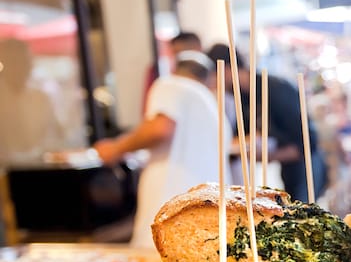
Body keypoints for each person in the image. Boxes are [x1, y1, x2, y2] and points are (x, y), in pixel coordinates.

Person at [92, 50, 231, 249]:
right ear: (207, 78)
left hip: (172, 210)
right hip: (208, 215)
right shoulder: (212, 106)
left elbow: (161, 128)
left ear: (175, 70)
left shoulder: (171, 84)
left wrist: (116, 148)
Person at [206, 44, 325, 203]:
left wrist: (266, 156)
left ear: (227, 69)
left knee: (303, 212)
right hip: (284, 167)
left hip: (306, 166)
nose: (213, 83)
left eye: (214, 76)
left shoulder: (277, 89)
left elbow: (308, 142)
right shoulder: (238, 98)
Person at [0, 38, 63, 164]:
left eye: (26, 61)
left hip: (38, 169)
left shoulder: (41, 98)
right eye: (15, 61)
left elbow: (57, 135)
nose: (23, 66)